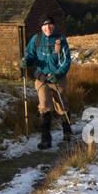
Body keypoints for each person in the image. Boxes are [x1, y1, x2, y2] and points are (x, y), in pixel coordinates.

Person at [21, 15, 74, 149]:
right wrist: (26, 61)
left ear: (54, 26)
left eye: (50, 24)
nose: (47, 27)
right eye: (45, 25)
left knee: (61, 104)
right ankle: (46, 139)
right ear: (41, 27)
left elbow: (66, 61)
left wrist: (58, 73)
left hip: (58, 78)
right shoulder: (36, 39)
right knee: (44, 106)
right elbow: (30, 55)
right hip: (42, 77)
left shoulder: (60, 40)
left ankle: (67, 131)